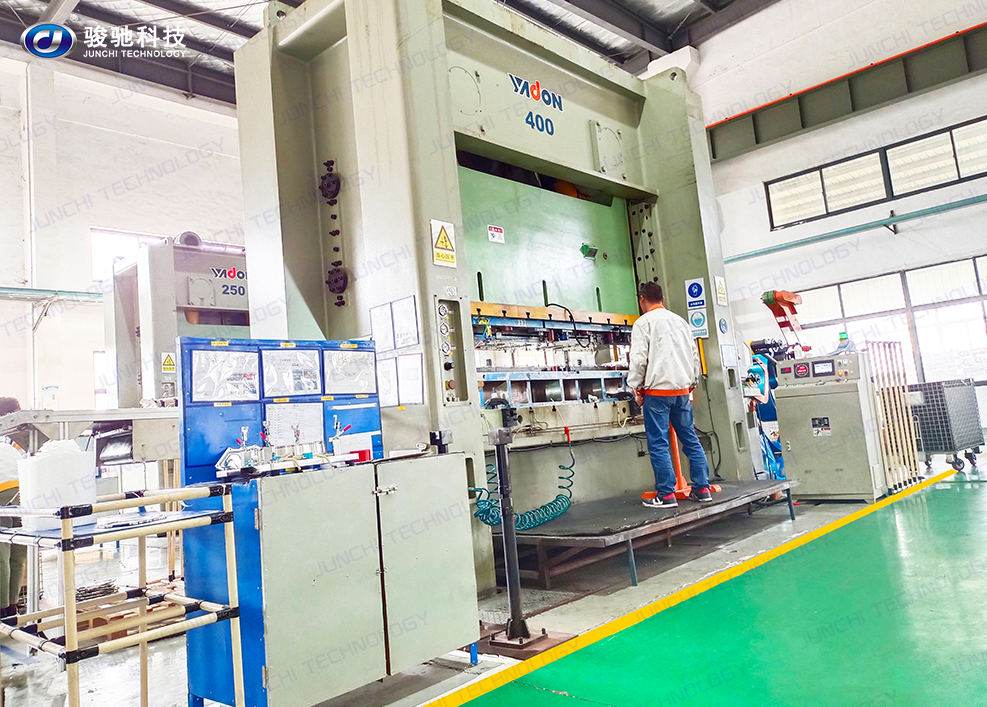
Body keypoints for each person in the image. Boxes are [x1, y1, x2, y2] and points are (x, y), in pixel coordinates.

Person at [627, 283, 712, 508]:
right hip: (682, 391)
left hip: (656, 393)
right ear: (662, 298)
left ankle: (666, 494)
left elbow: (639, 359)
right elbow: (694, 356)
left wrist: (635, 387)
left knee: (658, 443)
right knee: (690, 438)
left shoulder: (643, 323)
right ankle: (702, 488)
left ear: (642, 299)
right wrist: (691, 383)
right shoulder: (680, 321)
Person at [0, 397, 25, 618]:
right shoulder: (13, 441)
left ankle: (2, 608)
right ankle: (13, 605)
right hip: (22, 495)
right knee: (18, 553)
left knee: (2, 555)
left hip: (3, 495)